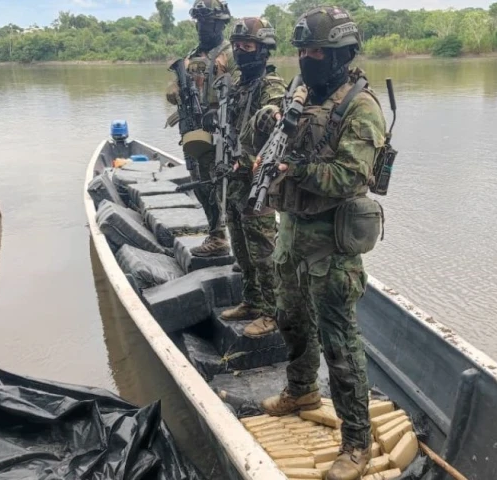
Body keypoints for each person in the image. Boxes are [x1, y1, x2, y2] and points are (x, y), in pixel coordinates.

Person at [254, 6, 388, 480]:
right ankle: (302, 389)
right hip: (291, 230)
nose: (307, 58)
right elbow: (269, 141)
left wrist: (296, 167)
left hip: (331, 241)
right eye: (302, 51)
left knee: (340, 341)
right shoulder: (300, 91)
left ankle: (357, 442)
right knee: (290, 317)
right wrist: (269, 122)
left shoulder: (362, 106)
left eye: (317, 51)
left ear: (342, 54)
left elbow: (350, 176)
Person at [208, 17, 286, 337]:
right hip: (234, 178)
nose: (240, 51)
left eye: (248, 46)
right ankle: (252, 301)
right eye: (237, 46)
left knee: (263, 252)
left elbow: (278, 137)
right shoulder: (238, 84)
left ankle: (273, 312)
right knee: (241, 249)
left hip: (257, 181)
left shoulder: (272, 87)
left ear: (263, 49)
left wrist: (246, 164)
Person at [165, 0, 237, 257]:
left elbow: (242, 91)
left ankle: (226, 237)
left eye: (207, 22)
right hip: (191, 129)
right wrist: (174, 88)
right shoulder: (192, 55)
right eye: (199, 22)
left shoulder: (230, 54)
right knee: (199, 183)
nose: (201, 27)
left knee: (221, 184)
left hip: (218, 131)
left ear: (219, 23)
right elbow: (177, 85)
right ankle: (216, 234)